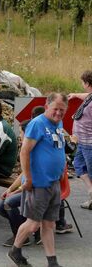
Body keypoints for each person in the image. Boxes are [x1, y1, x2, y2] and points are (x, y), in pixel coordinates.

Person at [8, 93, 68, 267]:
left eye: (62, 110)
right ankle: (15, 250)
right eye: (55, 109)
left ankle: (52, 262)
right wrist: (28, 178)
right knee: (33, 224)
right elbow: (24, 152)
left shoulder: (58, 123)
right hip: (38, 183)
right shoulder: (37, 124)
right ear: (47, 105)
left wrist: (61, 169)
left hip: (53, 182)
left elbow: (57, 148)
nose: (58, 113)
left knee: (49, 224)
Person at [0, 120, 73, 248]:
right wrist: (10, 189)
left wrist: (16, 191)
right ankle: (31, 231)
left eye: (21, 133)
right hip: (29, 188)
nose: (19, 136)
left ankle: (22, 236)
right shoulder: (29, 148)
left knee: (8, 204)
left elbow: (34, 180)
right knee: (0, 207)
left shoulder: (37, 151)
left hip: (37, 189)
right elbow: (23, 175)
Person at [69, 70, 92, 210]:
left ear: (87, 83)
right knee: (78, 165)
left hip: (90, 143)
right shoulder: (90, 97)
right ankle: (91, 191)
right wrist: (76, 95)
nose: (82, 84)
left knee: (91, 171)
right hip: (82, 142)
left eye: (83, 82)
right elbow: (88, 96)